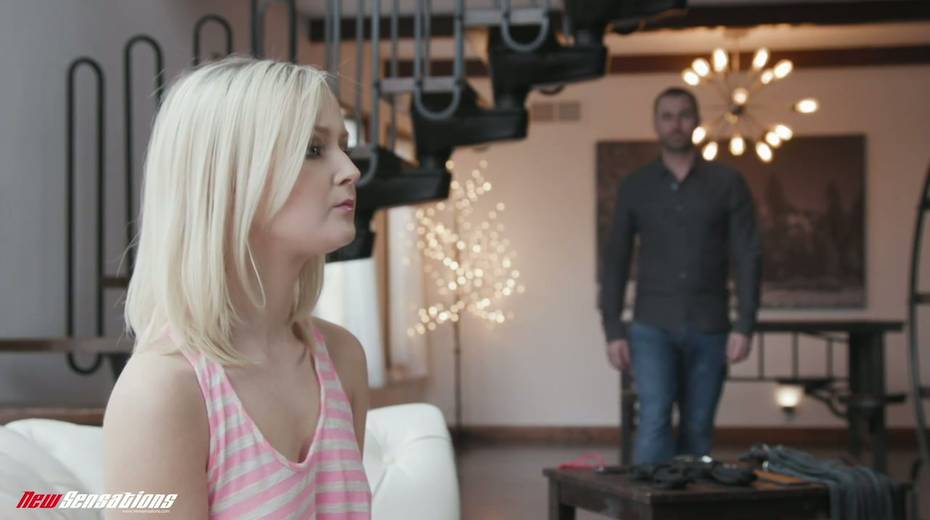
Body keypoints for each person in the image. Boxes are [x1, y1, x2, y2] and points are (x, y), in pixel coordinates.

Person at [103, 57, 370, 519]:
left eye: (343, 146)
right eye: (313, 148)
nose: (351, 170)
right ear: (226, 178)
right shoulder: (162, 393)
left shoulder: (343, 358)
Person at [599, 87, 762, 465]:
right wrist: (612, 328)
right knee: (653, 420)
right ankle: (647, 499)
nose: (676, 123)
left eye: (684, 115)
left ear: (697, 121)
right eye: (667, 116)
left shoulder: (727, 183)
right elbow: (616, 258)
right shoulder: (636, 186)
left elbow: (748, 255)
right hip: (650, 326)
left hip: (711, 325)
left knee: (698, 427)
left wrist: (745, 324)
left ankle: (689, 499)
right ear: (656, 124)